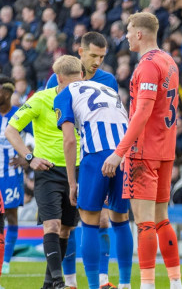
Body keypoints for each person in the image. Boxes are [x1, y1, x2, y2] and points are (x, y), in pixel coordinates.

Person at [101, 13, 182, 289]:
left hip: (144, 151)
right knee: (161, 220)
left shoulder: (147, 66)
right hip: (166, 149)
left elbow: (143, 111)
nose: (125, 35)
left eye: (128, 30)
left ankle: (147, 284)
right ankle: (175, 282)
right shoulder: (169, 61)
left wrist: (119, 152)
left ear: (139, 33)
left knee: (145, 223)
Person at [53, 55, 133, 289]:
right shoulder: (106, 88)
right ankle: (126, 284)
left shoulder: (64, 94)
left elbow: (69, 141)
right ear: (81, 73)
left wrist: (72, 182)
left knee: (89, 222)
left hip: (96, 155)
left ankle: (92, 285)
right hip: (123, 154)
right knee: (121, 220)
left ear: (59, 78)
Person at [46, 32, 118, 288]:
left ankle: (103, 278)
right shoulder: (57, 82)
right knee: (67, 224)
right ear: (81, 52)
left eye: (102, 56)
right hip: (66, 159)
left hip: (95, 157)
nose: (97, 61)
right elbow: (52, 120)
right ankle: (70, 281)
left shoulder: (108, 80)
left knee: (101, 218)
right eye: (93, 55)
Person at [5, 60, 81, 289]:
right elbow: (11, 130)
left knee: (67, 229)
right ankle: (58, 282)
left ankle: (49, 284)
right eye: (73, 82)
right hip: (47, 170)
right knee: (52, 225)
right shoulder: (39, 99)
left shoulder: (83, 99)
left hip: (76, 169)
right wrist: (30, 158)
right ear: (59, 79)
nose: (77, 87)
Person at [0, 77, 22, 277]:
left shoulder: (19, 114)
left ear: (7, 93)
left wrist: (26, 157)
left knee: (11, 217)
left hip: (12, 175)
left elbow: (33, 139)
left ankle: (5, 262)